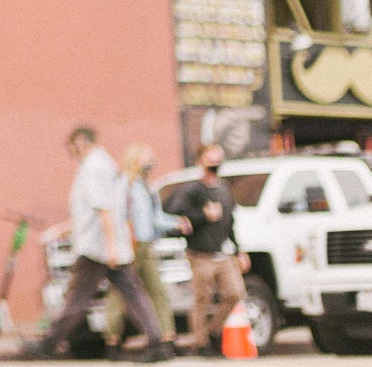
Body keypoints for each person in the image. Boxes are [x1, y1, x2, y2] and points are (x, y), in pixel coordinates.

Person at [26, 125, 173, 360]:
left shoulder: (94, 166)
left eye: (72, 145)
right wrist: (67, 229)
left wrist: (111, 246)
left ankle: (49, 343)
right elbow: (93, 212)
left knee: (77, 298)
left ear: (82, 142)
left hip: (98, 249)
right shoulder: (102, 165)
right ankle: (158, 344)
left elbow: (104, 209)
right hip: (106, 246)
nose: (71, 151)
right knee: (133, 295)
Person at [175, 146, 249, 356]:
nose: (215, 162)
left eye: (218, 158)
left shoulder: (224, 188)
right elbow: (177, 216)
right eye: (211, 158)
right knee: (203, 298)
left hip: (222, 252)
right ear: (201, 161)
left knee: (235, 293)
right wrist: (202, 216)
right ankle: (201, 342)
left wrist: (238, 250)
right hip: (200, 254)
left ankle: (214, 332)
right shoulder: (193, 190)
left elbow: (230, 222)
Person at [103, 145, 178, 350]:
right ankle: (112, 339)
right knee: (121, 293)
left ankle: (166, 337)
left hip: (146, 244)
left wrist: (177, 222)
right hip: (130, 244)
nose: (150, 163)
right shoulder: (124, 185)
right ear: (134, 160)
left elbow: (156, 218)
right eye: (146, 159)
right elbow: (116, 216)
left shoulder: (148, 187)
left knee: (157, 290)